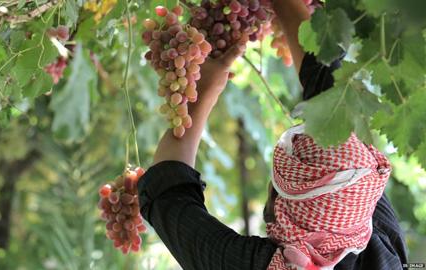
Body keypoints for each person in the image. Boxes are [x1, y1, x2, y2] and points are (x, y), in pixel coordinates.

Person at [137, 0, 408, 269]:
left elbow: (165, 191)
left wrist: (208, 86)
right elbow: (165, 194)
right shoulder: (366, 230)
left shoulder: (382, 249)